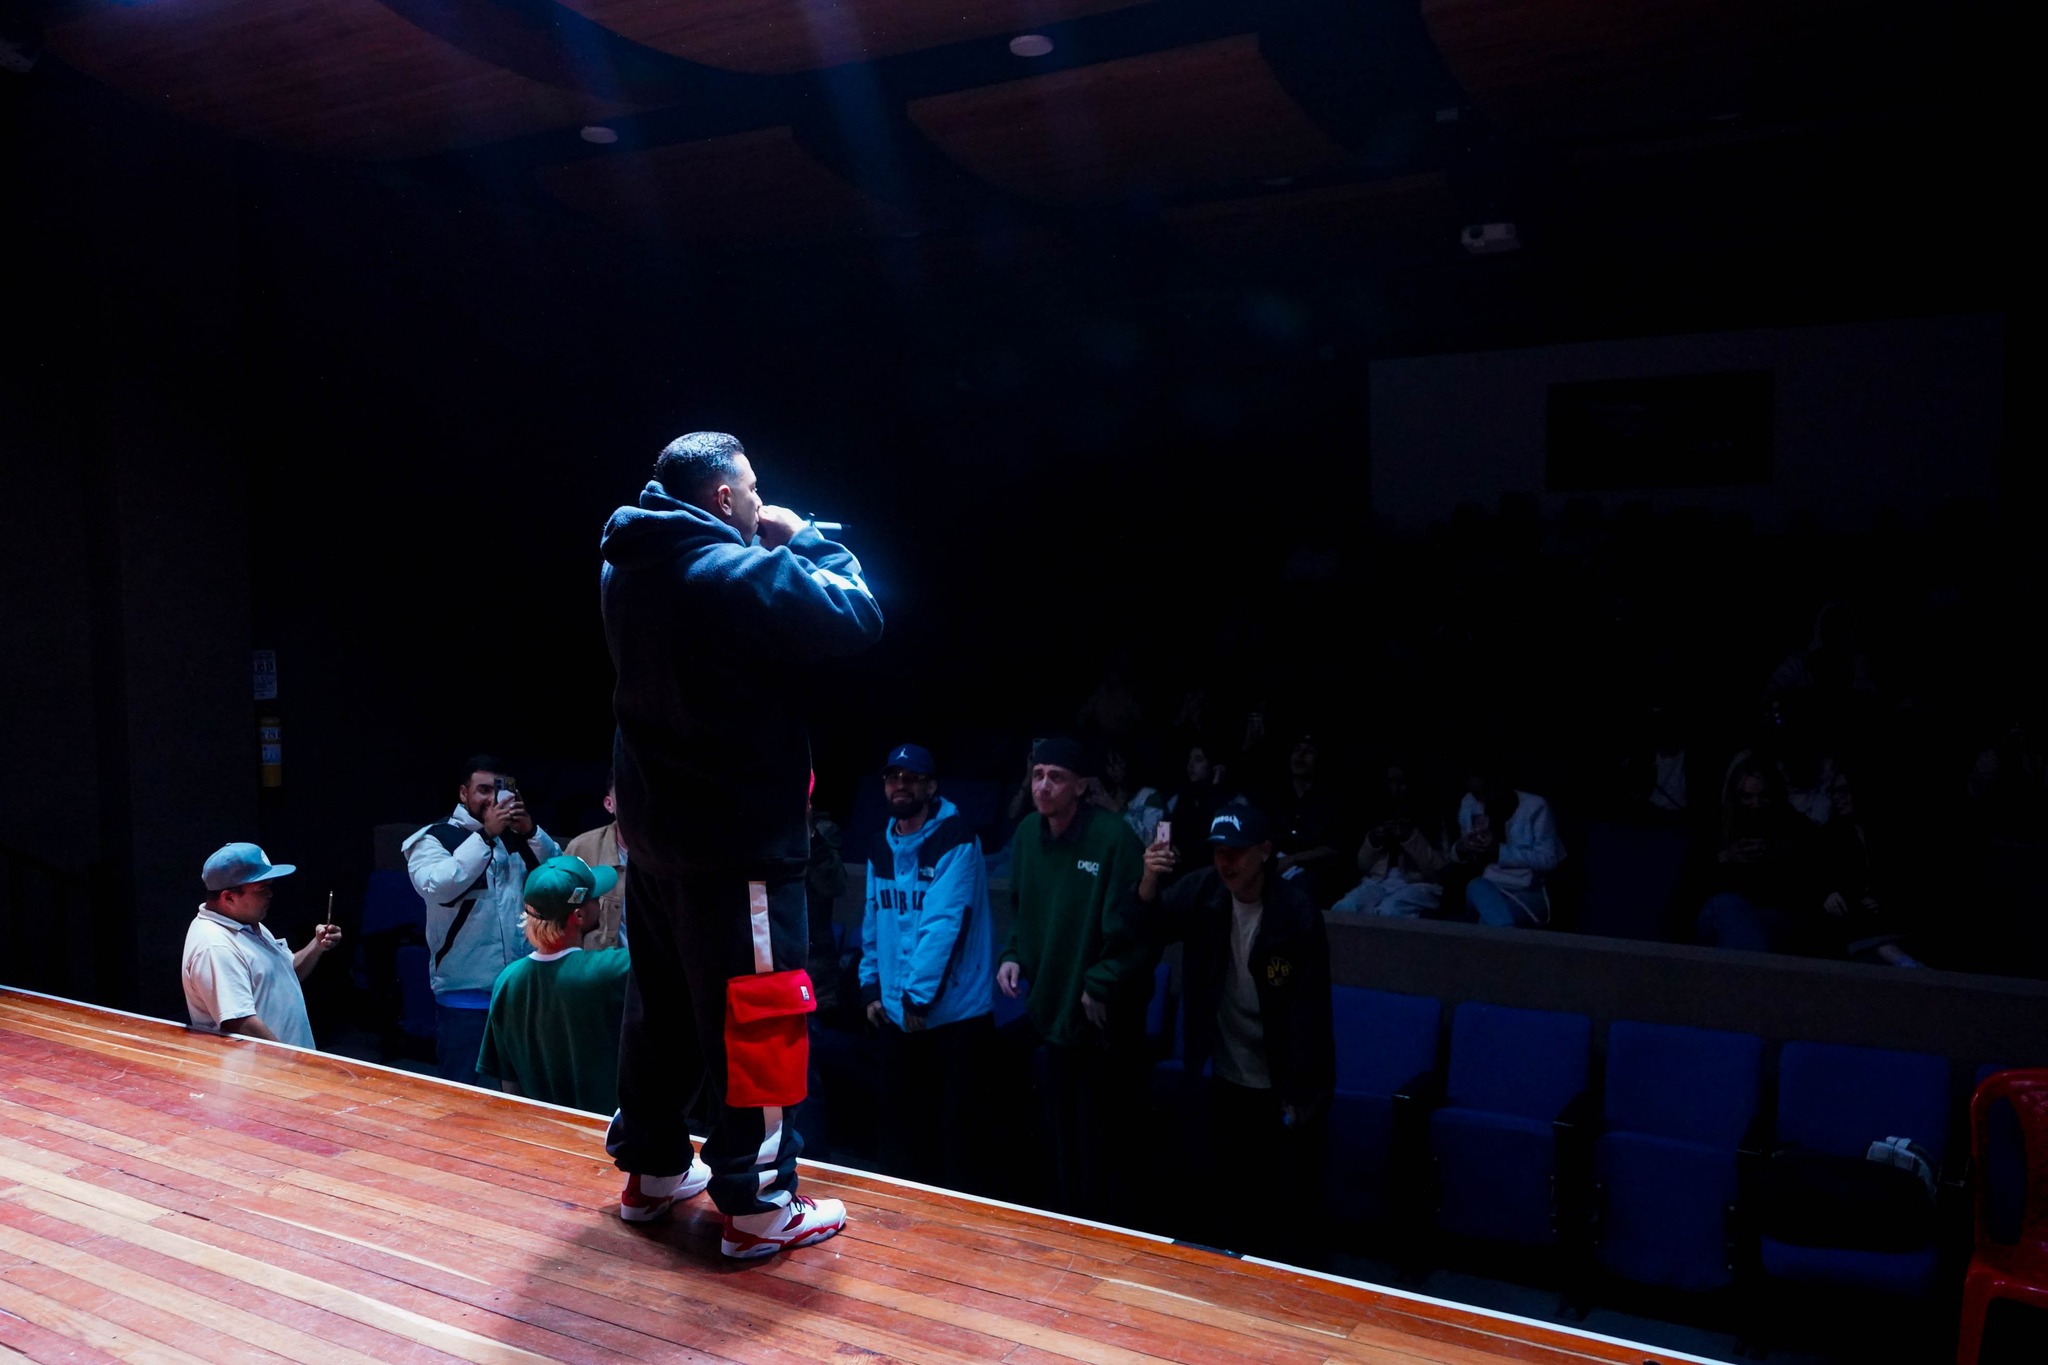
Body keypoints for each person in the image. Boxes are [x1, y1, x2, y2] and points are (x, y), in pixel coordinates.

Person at [600, 430, 883, 1259]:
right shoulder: (728, 572)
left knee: (659, 1009)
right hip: (737, 846)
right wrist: (807, 538)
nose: (760, 499)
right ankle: (758, 1201)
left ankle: (652, 1172)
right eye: (752, 489)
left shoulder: (624, 560)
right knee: (760, 1013)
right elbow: (859, 615)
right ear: (723, 498)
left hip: (656, 838)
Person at [1131, 806, 1334, 1257]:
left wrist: (1303, 1096)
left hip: (1280, 1076)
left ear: (1264, 852)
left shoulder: (1296, 913)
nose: (1227, 862)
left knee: (1281, 1199)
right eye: (1220, 851)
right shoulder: (1204, 889)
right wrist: (1149, 878)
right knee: (1225, 1190)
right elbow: (1145, 927)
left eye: (1237, 852)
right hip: (1222, 1069)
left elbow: (1310, 1011)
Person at [996, 736, 1150, 1219]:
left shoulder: (1114, 838)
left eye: (1056, 776)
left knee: (1100, 1138)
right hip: (1050, 1006)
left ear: (1081, 786)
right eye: (1038, 774)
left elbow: (1136, 927)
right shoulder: (1026, 834)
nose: (1043, 785)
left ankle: (1107, 1236)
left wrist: (1101, 983)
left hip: (1102, 1015)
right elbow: (1018, 909)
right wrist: (1013, 954)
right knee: (1055, 1128)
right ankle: (1062, 1227)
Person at [858, 743, 994, 1190]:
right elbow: (875, 917)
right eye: (893, 778)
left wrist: (918, 996)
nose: (901, 785)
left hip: (953, 1013)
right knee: (899, 1137)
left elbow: (945, 924)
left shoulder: (956, 837)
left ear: (930, 787)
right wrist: (871, 985)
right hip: (902, 1010)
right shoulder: (882, 842)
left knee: (954, 1142)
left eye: (911, 778)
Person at [402, 756, 562, 1085]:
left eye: (500, 790)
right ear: (463, 794)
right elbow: (437, 886)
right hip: (464, 996)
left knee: (525, 1099)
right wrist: (486, 836)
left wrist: (531, 831)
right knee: (468, 1104)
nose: (492, 799)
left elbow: (562, 880)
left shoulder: (520, 839)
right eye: (483, 790)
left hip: (520, 993)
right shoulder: (434, 838)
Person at [477, 855, 636, 1115]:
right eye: (595, 897)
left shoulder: (507, 980)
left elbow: (509, 1082)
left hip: (544, 1138)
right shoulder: (614, 969)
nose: (600, 901)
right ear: (579, 915)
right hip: (608, 1139)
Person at [182, 843, 342, 1048]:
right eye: (262, 889)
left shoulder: (248, 924)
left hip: (284, 1067)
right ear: (228, 897)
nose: (270, 895)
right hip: (265, 1073)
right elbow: (240, 1023)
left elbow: (284, 972)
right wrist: (292, 1064)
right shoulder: (215, 945)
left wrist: (317, 945)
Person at [1452, 768, 1564, 927]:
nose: (1481, 799)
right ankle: (1504, 937)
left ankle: (1502, 935)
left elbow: (1549, 859)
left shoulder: (1535, 807)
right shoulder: (1470, 803)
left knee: (1489, 918)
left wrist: (1499, 851)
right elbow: (1461, 852)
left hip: (1527, 890)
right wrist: (1462, 848)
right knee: (1477, 887)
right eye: (1475, 793)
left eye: (1484, 791)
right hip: (1489, 885)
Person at [562, 772, 627, 950]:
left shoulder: (670, 854)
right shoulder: (582, 850)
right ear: (609, 804)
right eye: (626, 794)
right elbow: (562, 914)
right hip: (597, 969)